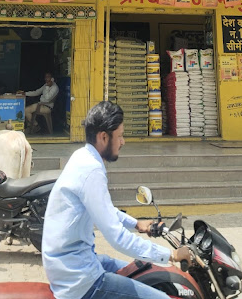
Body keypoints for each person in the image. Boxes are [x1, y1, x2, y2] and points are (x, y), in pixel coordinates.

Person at [42, 101, 192, 299]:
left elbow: (104, 209)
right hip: (78, 277)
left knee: (147, 271)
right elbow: (117, 238)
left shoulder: (82, 156)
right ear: (104, 137)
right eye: (120, 136)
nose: (123, 142)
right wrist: (170, 255)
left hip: (72, 262)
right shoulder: (92, 171)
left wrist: (136, 224)